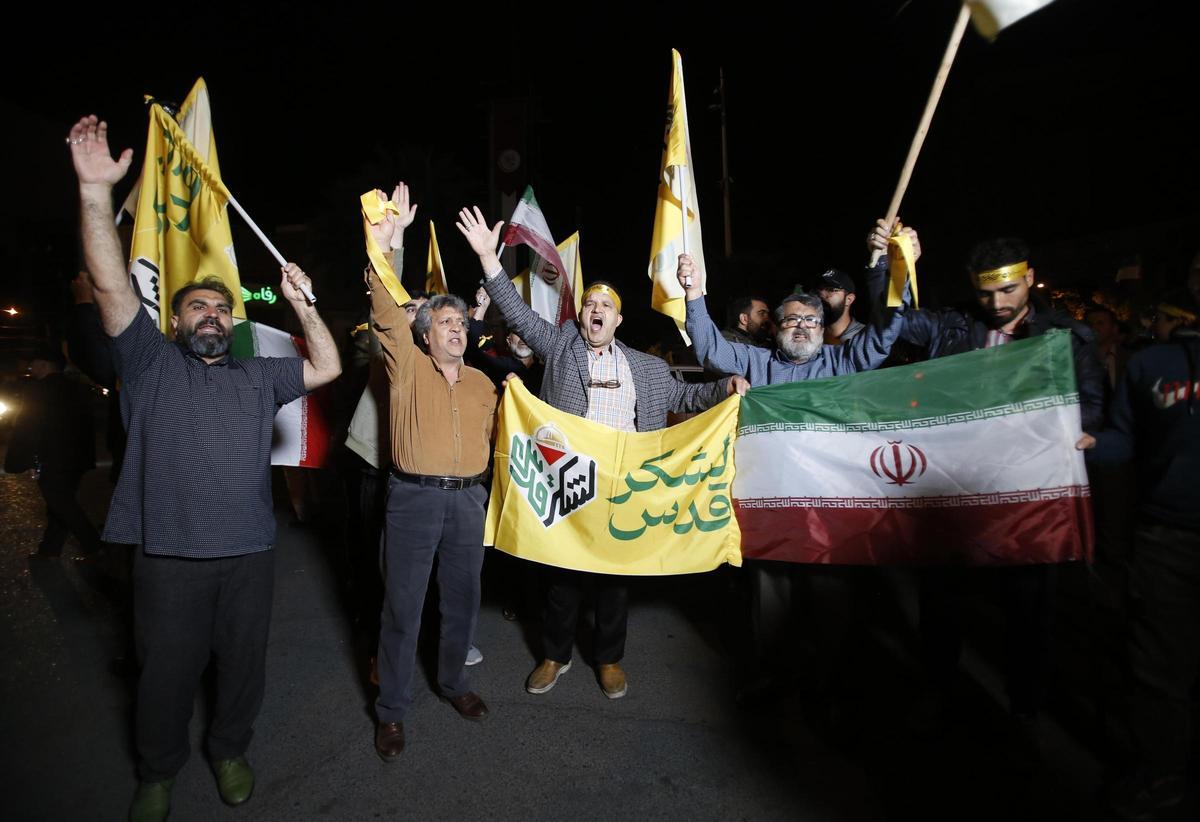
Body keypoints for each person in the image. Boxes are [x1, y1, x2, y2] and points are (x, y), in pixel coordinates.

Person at [67, 114, 341, 822]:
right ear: (176, 321)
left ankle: (229, 749)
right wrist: (96, 193)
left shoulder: (258, 375)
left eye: (222, 307)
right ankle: (157, 772)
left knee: (242, 669)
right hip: (169, 556)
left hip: (249, 554)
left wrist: (303, 306)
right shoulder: (150, 363)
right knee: (163, 675)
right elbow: (106, 281)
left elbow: (330, 364)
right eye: (198, 306)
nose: (213, 315)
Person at [456, 205, 745, 701]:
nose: (596, 310)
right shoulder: (561, 344)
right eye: (590, 303)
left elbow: (684, 398)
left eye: (605, 306)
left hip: (622, 486)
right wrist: (489, 259)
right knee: (562, 577)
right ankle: (554, 655)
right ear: (581, 314)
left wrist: (725, 390)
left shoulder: (647, 368)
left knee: (614, 582)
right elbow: (519, 311)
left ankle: (608, 659)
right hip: (568, 479)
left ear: (618, 319)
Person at [678, 221, 916, 708]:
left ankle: (827, 690)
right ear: (777, 329)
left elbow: (888, 333)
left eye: (811, 320)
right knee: (773, 605)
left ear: (822, 327)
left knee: (832, 608)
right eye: (792, 320)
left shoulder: (841, 363)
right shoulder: (758, 365)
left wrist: (895, 272)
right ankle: (775, 682)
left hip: (830, 514)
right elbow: (708, 348)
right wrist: (695, 294)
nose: (803, 327)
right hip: (774, 510)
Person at [898, 234, 1104, 744]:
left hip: (1027, 495)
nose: (997, 303)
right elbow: (893, 319)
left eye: (1008, 290)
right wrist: (890, 265)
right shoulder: (953, 325)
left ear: (1029, 277)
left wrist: (1085, 429)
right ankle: (938, 689)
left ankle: (1025, 706)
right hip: (957, 488)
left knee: (1029, 610)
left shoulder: (1066, 337)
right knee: (943, 603)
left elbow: (1093, 402)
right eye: (987, 294)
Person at [364, 185, 498, 762]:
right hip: (414, 500)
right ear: (425, 333)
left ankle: (454, 684)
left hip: (469, 501)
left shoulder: (484, 384)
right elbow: (387, 310)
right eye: (445, 322)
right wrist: (389, 247)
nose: (456, 328)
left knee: (462, 600)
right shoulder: (406, 367)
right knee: (404, 604)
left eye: (462, 323)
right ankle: (391, 711)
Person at [1077, 318, 1200, 819]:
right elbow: (1125, 438)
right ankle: (1163, 775)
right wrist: (1085, 443)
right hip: (1168, 538)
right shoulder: (1152, 364)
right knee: (1159, 668)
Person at [5, 346, 100, 559]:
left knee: (62, 504)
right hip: (76, 458)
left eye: (34, 363)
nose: (31, 367)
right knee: (60, 503)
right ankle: (50, 549)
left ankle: (96, 546)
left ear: (44, 365)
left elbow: (28, 425)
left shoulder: (37, 390)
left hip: (52, 458)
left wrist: (22, 458)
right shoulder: (77, 388)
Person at [811, 268, 864, 345]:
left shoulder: (864, 337)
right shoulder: (809, 333)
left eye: (831, 290)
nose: (821, 294)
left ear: (849, 299)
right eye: (818, 290)